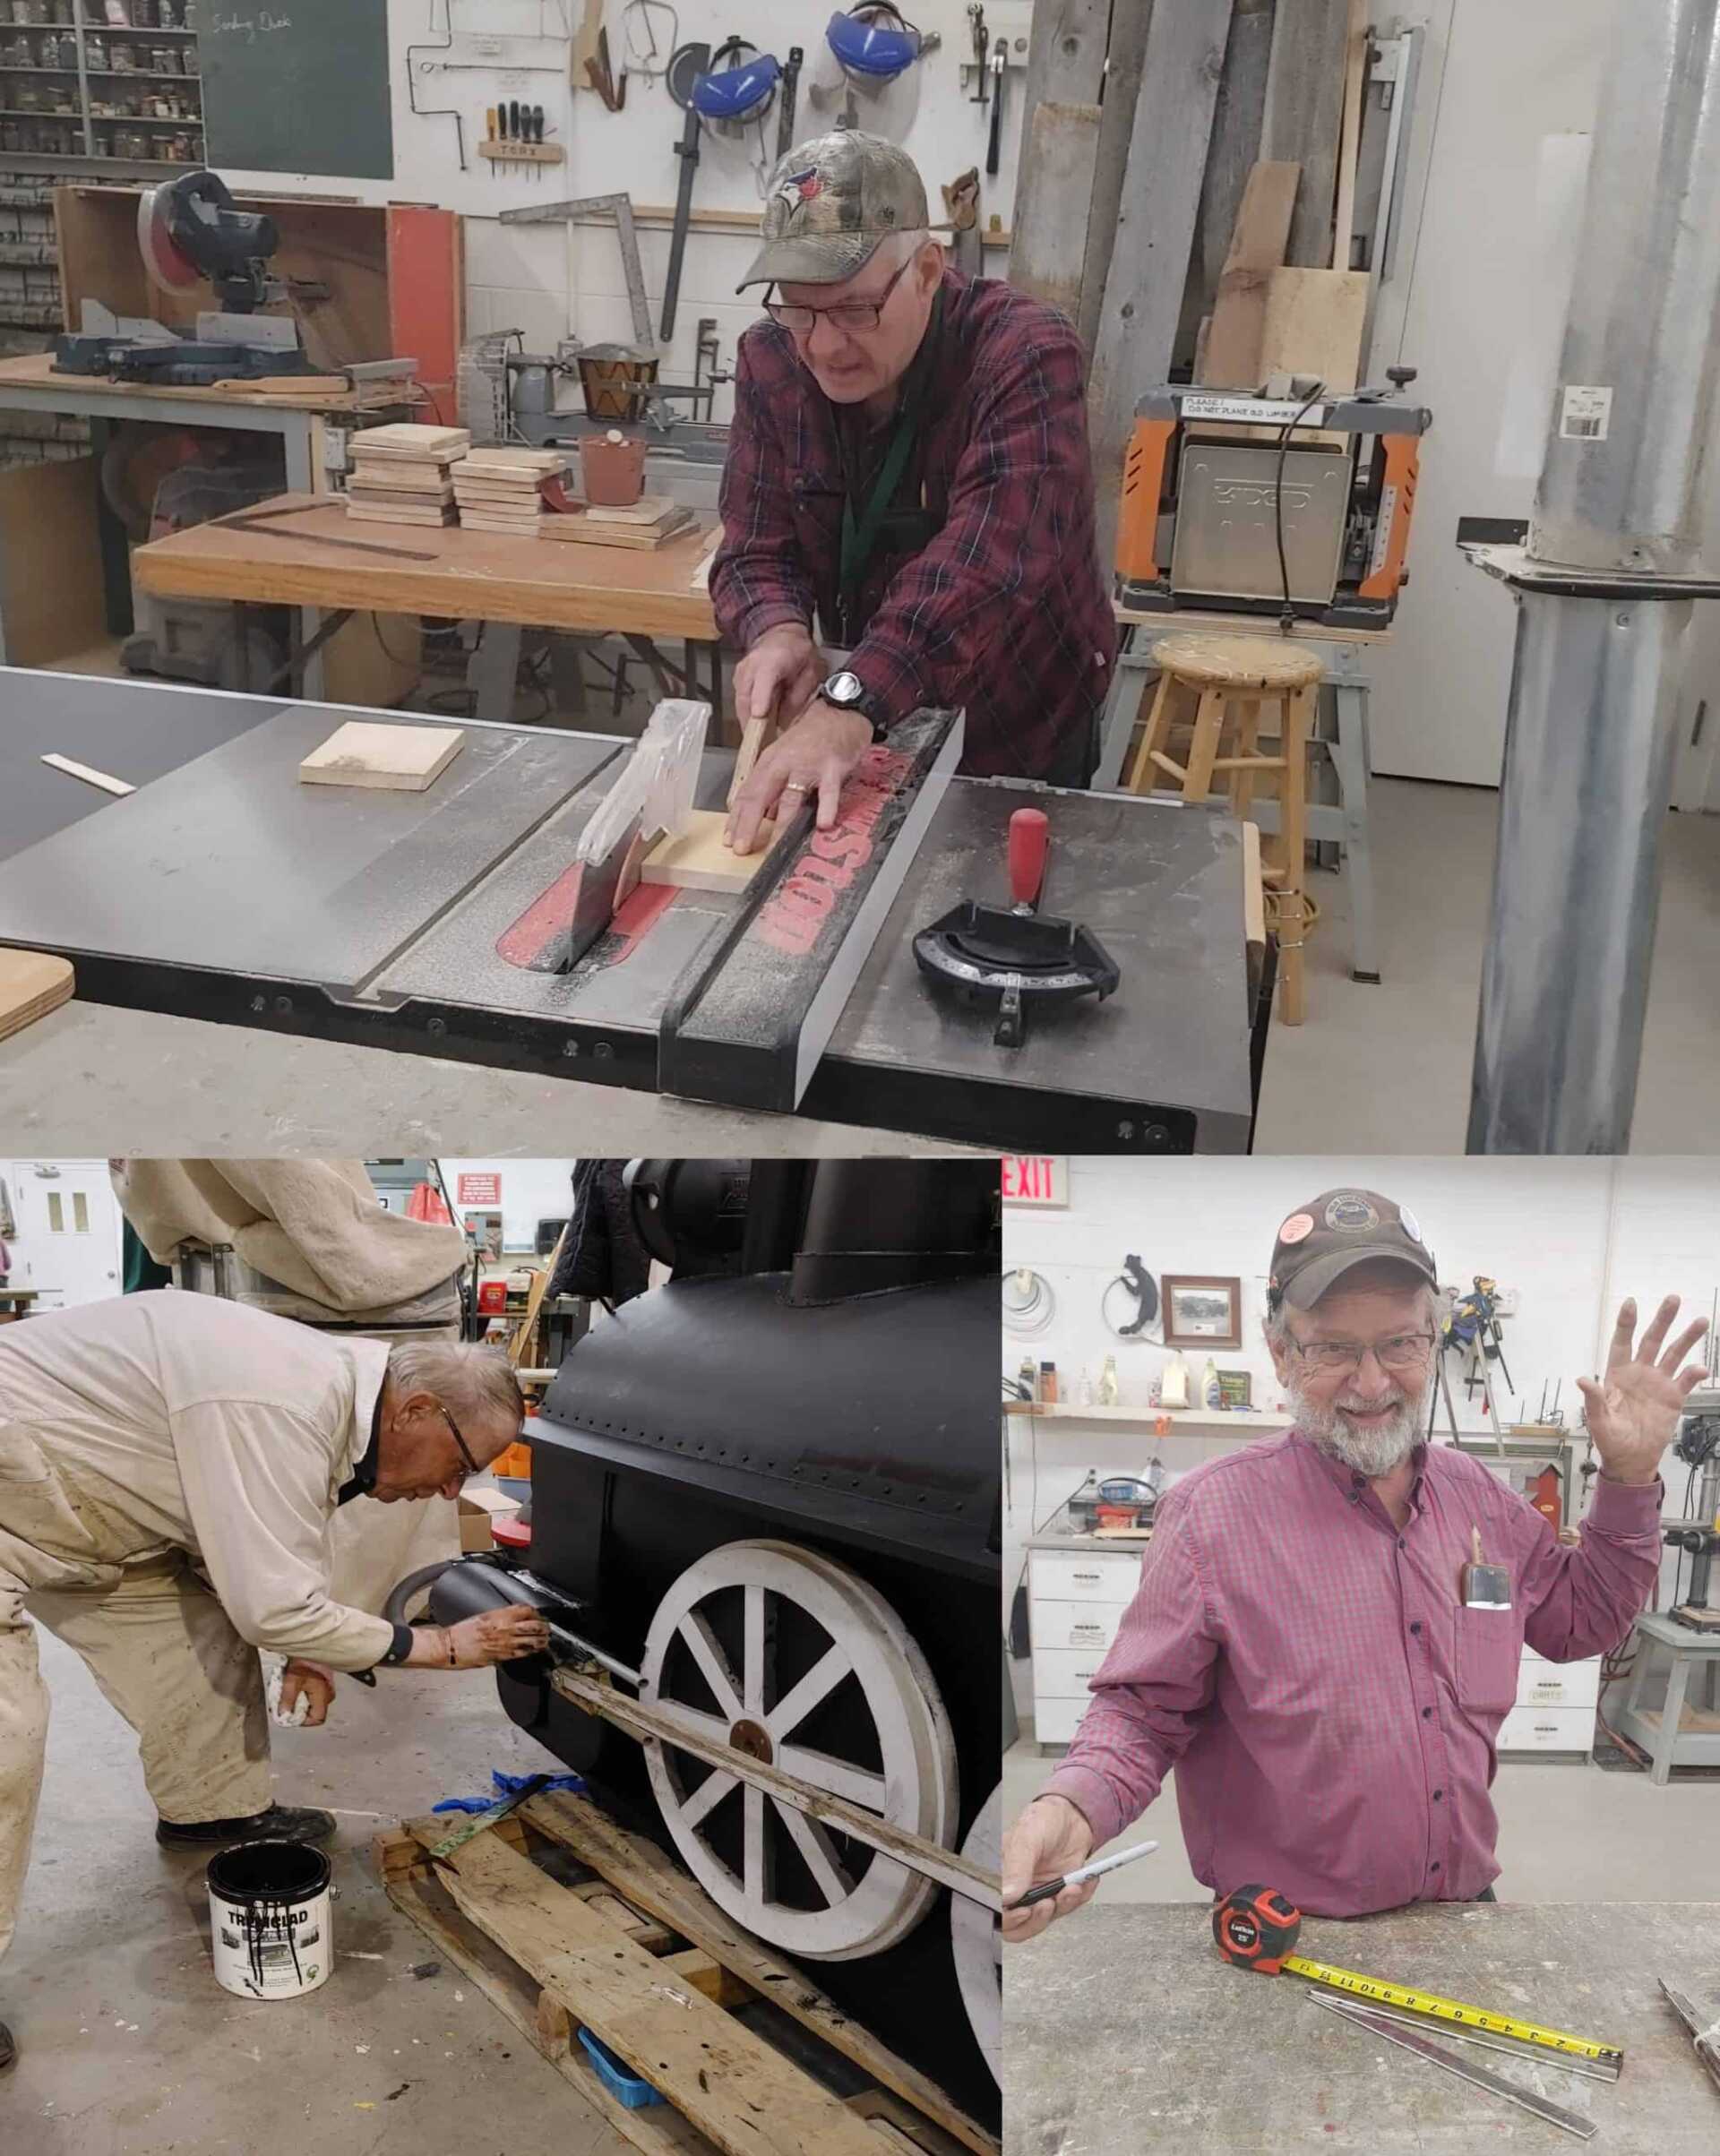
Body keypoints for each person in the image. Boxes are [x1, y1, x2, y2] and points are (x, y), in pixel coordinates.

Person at [1002, 1189, 1707, 1943]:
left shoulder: (1481, 1501)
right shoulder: (1211, 1519)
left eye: (1400, 1344)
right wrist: (1071, 1806)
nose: (1371, 1383)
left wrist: (1629, 1477)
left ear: (1433, 1342)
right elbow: (1142, 1711)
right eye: (1333, 1348)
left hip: (1464, 1911)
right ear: (1280, 1352)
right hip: (1288, 1937)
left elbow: (1583, 1623)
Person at [0, 1291, 551, 2073]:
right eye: (461, 1464)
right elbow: (272, 1604)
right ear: (416, 1410)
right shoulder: (278, 1400)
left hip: (89, 1508)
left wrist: (313, 1648)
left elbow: (274, 1530)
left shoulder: (336, 1403)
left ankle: (211, 1810)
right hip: (18, 1489)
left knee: (198, 1637)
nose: (450, 1491)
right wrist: (438, 1646)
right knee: (5, 1737)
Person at [713, 129, 1117, 855]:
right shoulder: (772, 360)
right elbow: (753, 546)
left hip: (1018, 730)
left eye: (855, 311)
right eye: (801, 309)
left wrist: (848, 702)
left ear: (928, 269)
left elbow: (986, 564)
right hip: (868, 725)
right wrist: (774, 628)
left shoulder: (1024, 354)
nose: (826, 346)